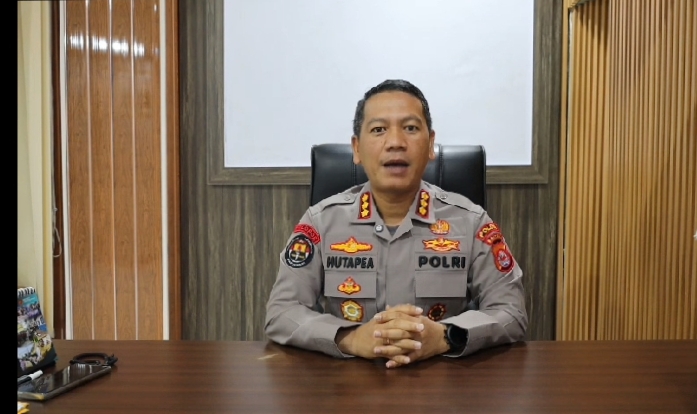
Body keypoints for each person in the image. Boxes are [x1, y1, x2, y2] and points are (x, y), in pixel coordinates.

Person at [265, 79, 527, 369]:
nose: (396, 142)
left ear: (430, 144)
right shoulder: (321, 222)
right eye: (379, 129)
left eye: (411, 128)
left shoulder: (470, 221)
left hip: (443, 380)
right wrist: (350, 338)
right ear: (357, 149)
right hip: (347, 382)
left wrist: (445, 336)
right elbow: (282, 311)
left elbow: (511, 311)